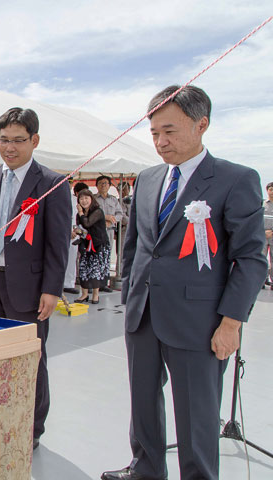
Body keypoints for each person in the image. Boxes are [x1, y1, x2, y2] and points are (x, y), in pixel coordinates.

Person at [102, 85, 267, 480]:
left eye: (170, 131)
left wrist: (231, 323)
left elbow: (250, 260)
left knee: (196, 415)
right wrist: (129, 296)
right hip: (142, 316)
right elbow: (138, 246)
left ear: (201, 125)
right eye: (154, 132)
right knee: (143, 403)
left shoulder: (234, 179)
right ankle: (145, 470)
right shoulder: (147, 179)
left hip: (201, 322)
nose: (160, 142)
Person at [0, 107, 71, 450]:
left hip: (30, 287)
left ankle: (32, 428)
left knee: (31, 358)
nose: (9, 148)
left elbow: (57, 242)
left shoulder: (52, 183)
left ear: (34, 141)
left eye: (18, 141)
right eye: (3, 140)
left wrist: (52, 289)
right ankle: (1, 416)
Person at [73, 189, 108, 304]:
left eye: (86, 198)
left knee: (95, 269)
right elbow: (81, 227)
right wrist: (77, 231)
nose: (84, 201)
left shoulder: (97, 211)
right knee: (83, 268)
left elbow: (87, 223)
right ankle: (84, 294)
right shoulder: (80, 214)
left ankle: (95, 295)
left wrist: (81, 213)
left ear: (91, 199)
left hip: (98, 245)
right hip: (85, 244)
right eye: (81, 199)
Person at [94, 175, 122, 292]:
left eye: (105, 183)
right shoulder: (93, 198)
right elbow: (90, 213)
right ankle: (94, 283)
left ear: (109, 185)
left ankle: (104, 283)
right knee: (96, 256)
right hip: (96, 231)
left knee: (106, 256)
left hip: (109, 231)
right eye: (100, 183)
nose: (103, 185)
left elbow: (120, 214)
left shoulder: (114, 200)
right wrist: (104, 217)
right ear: (97, 186)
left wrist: (112, 220)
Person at [63, 182, 90, 294]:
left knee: (72, 258)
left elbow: (80, 217)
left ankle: (68, 284)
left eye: (69, 183)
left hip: (74, 233)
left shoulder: (76, 200)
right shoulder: (55, 197)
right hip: (59, 232)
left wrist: (76, 230)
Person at [264, 182, 273, 288]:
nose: (272, 192)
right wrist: (263, 232)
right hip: (263, 235)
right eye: (271, 189)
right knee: (262, 257)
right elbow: (257, 220)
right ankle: (263, 279)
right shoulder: (262, 204)